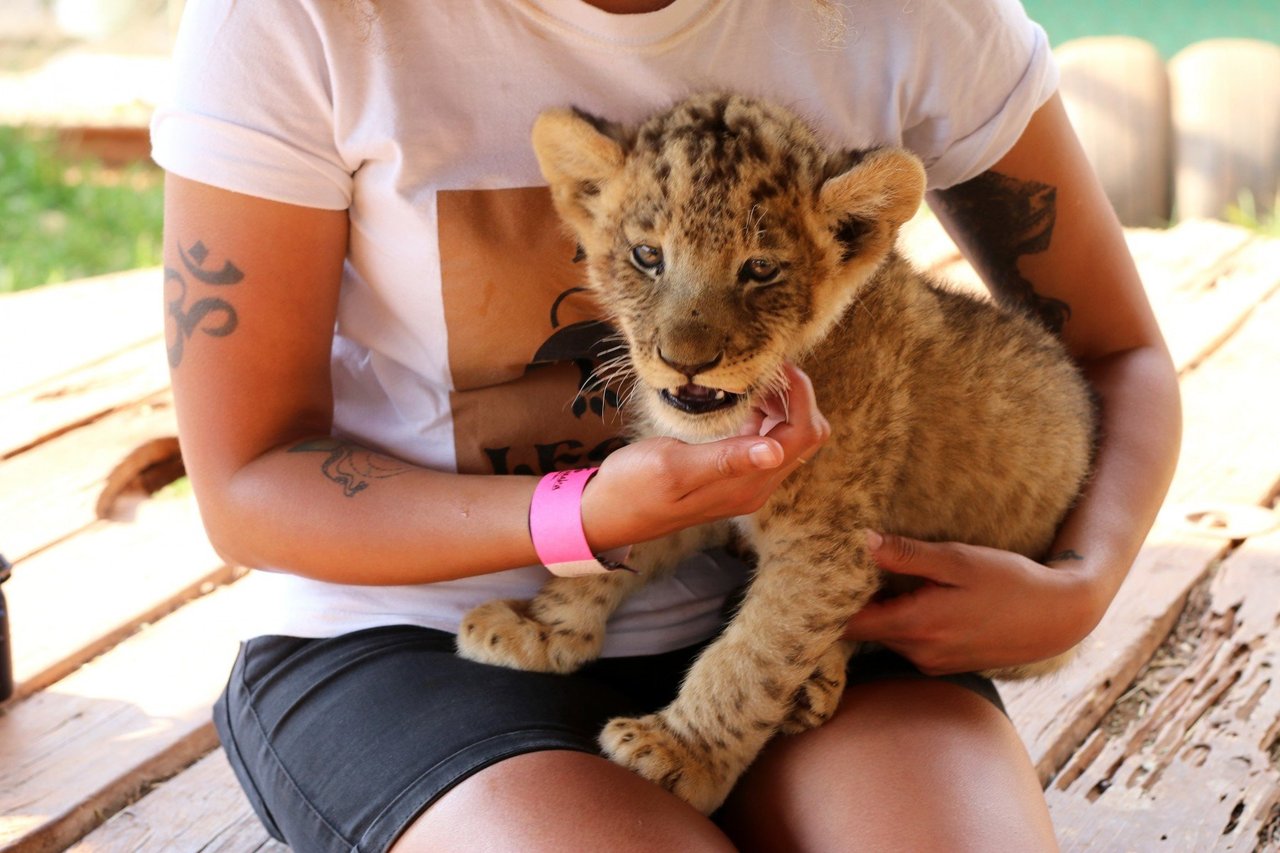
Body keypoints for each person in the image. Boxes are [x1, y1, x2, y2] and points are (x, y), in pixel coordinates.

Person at [152, 0, 1180, 850]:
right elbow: (247, 483)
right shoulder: (294, 22)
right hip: (407, 635)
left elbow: (1115, 354)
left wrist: (1082, 583)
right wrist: (584, 515)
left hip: (809, 630)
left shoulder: (913, 16)